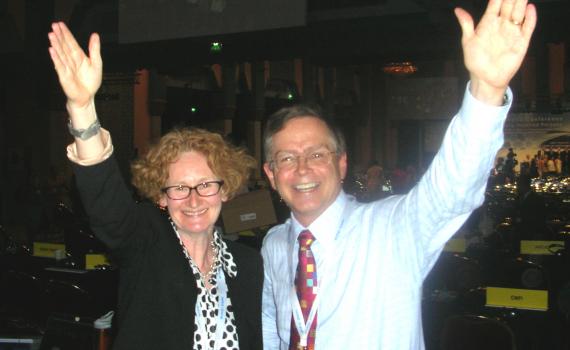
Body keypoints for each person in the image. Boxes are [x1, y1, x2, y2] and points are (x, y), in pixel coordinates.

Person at [260, 0, 536, 349]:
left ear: (342, 164)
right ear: (271, 174)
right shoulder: (273, 246)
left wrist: (486, 91)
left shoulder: (392, 229)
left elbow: (451, 191)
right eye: (286, 158)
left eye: (316, 154)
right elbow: (272, 325)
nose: (302, 168)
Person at [48, 22, 263, 350]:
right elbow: (108, 207)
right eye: (178, 187)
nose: (193, 200)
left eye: (205, 184)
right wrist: (82, 109)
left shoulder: (249, 266)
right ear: (161, 198)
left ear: (225, 189)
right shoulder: (147, 241)